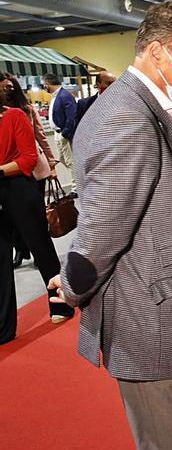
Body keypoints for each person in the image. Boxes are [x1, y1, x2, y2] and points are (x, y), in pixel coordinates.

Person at [47, 1, 172, 450]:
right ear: (158, 52)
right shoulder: (126, 117)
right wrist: (70, 283)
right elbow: (102, 234)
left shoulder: (149, 108)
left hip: (167, 308)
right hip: (150, 322)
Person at [0, 72, 75, 344]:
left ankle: (60, 303)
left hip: (20, 189)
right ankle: (3, 328)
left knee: (41, 248)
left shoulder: (16, 115)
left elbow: (28, 158)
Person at [3, 73, 58, 269]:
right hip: (12, 176)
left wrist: (51, 163)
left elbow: (40, 139)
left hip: (30, 171)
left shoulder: (23, 111)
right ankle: (21, 250)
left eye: (9, 87)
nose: (6, 90)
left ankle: (36, 253)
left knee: (35, 223)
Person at [43, 73, 78, 195]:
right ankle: (79, 181)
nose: (44, 87)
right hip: (58, 133)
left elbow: (72, 116)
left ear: (48, 83)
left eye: (44, 84)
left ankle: (76, 188)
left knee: (70, 161)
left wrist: (65, 133)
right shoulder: (55, 96)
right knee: (63, 159)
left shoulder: (64, 95)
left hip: (64, 133)